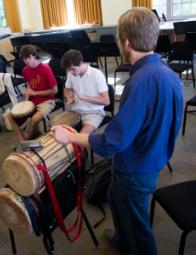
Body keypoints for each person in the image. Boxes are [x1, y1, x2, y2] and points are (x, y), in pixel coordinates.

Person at [51, 7, 183, 255]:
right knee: (114, 196)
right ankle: (123, 239)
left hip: (136, 167)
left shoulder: (141, 81)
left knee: (139, 227)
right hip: (150, 158)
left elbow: (113, 141)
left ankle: (131, 242)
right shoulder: (167, 73)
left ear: (127, 42)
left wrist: (70, 136)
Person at [6, 45, 57, 141]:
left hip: (47, 101)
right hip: (32, 100)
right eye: (24, 59)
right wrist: (28, 96)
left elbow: (54, 90)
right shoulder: (25, 70)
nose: (26, 61)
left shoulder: (45, 68)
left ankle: (25, 142)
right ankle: (25, 139)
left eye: (28, 58)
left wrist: (35, 93)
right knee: (9, 116)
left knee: (34, 119)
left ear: (34, 55)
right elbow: (30, 85)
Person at [60, 49, 110, 134]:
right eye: (69, 70)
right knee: (59, 133)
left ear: (80, 63)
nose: (71, 72)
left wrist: (85, 97)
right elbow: (66, 88)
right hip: (76, 111)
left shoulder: (97, 74)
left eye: (72, 69)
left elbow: (106, 101)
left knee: (80, 139)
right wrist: (68, 97)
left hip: (94, 113)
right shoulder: (71, 74)